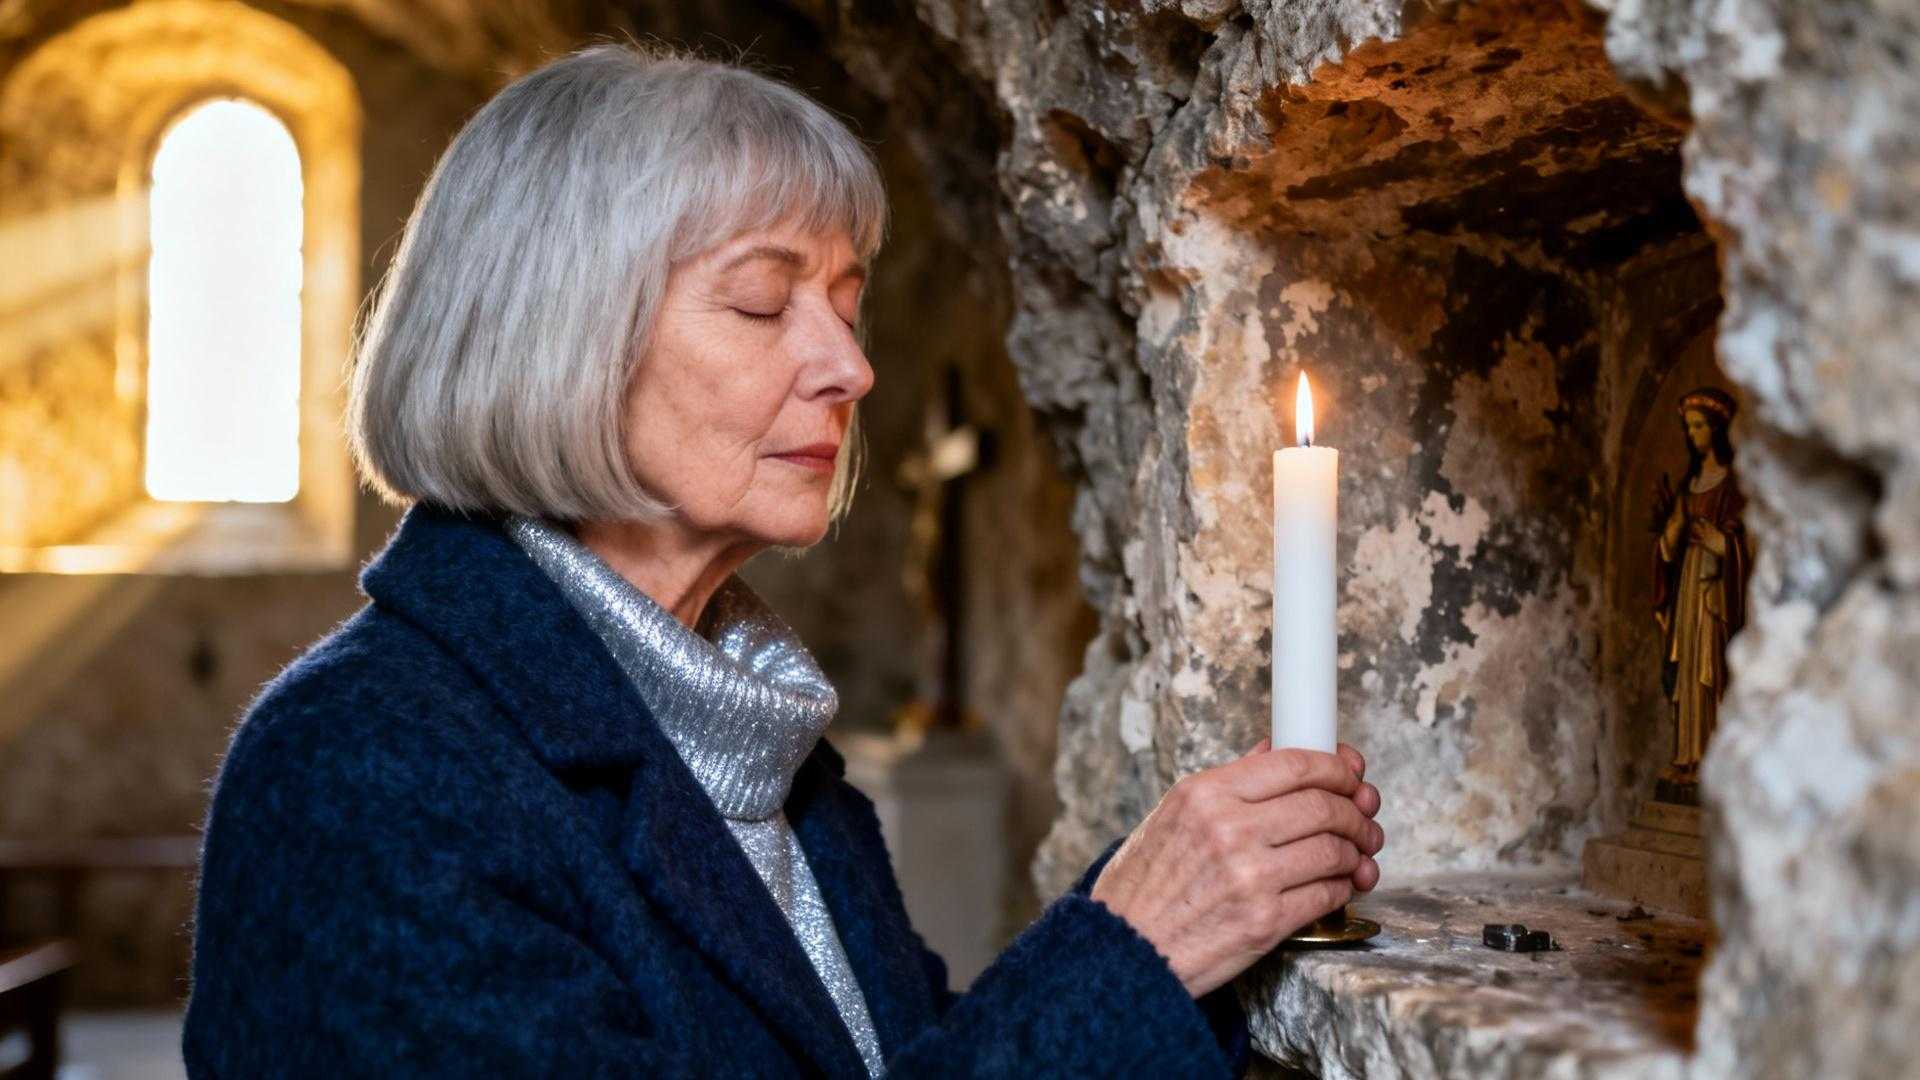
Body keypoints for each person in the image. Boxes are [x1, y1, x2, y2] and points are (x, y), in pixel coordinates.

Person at [181, 41, 1385, 1077]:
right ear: (553, 339)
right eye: (763, 303)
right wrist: (1132, 949)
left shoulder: (757, 743)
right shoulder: (361, 775)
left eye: (846, 304)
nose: (849, 368)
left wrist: (1191, 924)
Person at [1651, 387, 1750, 787]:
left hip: (1716, 593)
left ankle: (1713, 756)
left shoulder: (1733, 486)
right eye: (1688, 427)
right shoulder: (1689, 484)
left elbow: (1746, 548)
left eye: (1698, 426)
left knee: (1711, 667)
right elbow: (1667, 549)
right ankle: (1687, 755)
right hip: (1689, 589)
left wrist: (1718, 542)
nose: (1692, 434)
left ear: (1717, 429)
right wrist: (1669, 538)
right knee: (1689, 666)